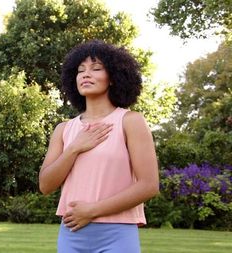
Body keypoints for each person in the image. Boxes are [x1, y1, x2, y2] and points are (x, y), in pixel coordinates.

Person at [39, 40, 159, 253]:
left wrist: (91, 211)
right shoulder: (64, 130)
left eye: (96, 68)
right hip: (71, 234)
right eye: (80, 70)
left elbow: (149, 185)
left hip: (117, 235)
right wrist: (75, 147)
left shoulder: (131, 121)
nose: (86, 74)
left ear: (112, 77)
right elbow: (46, 185)